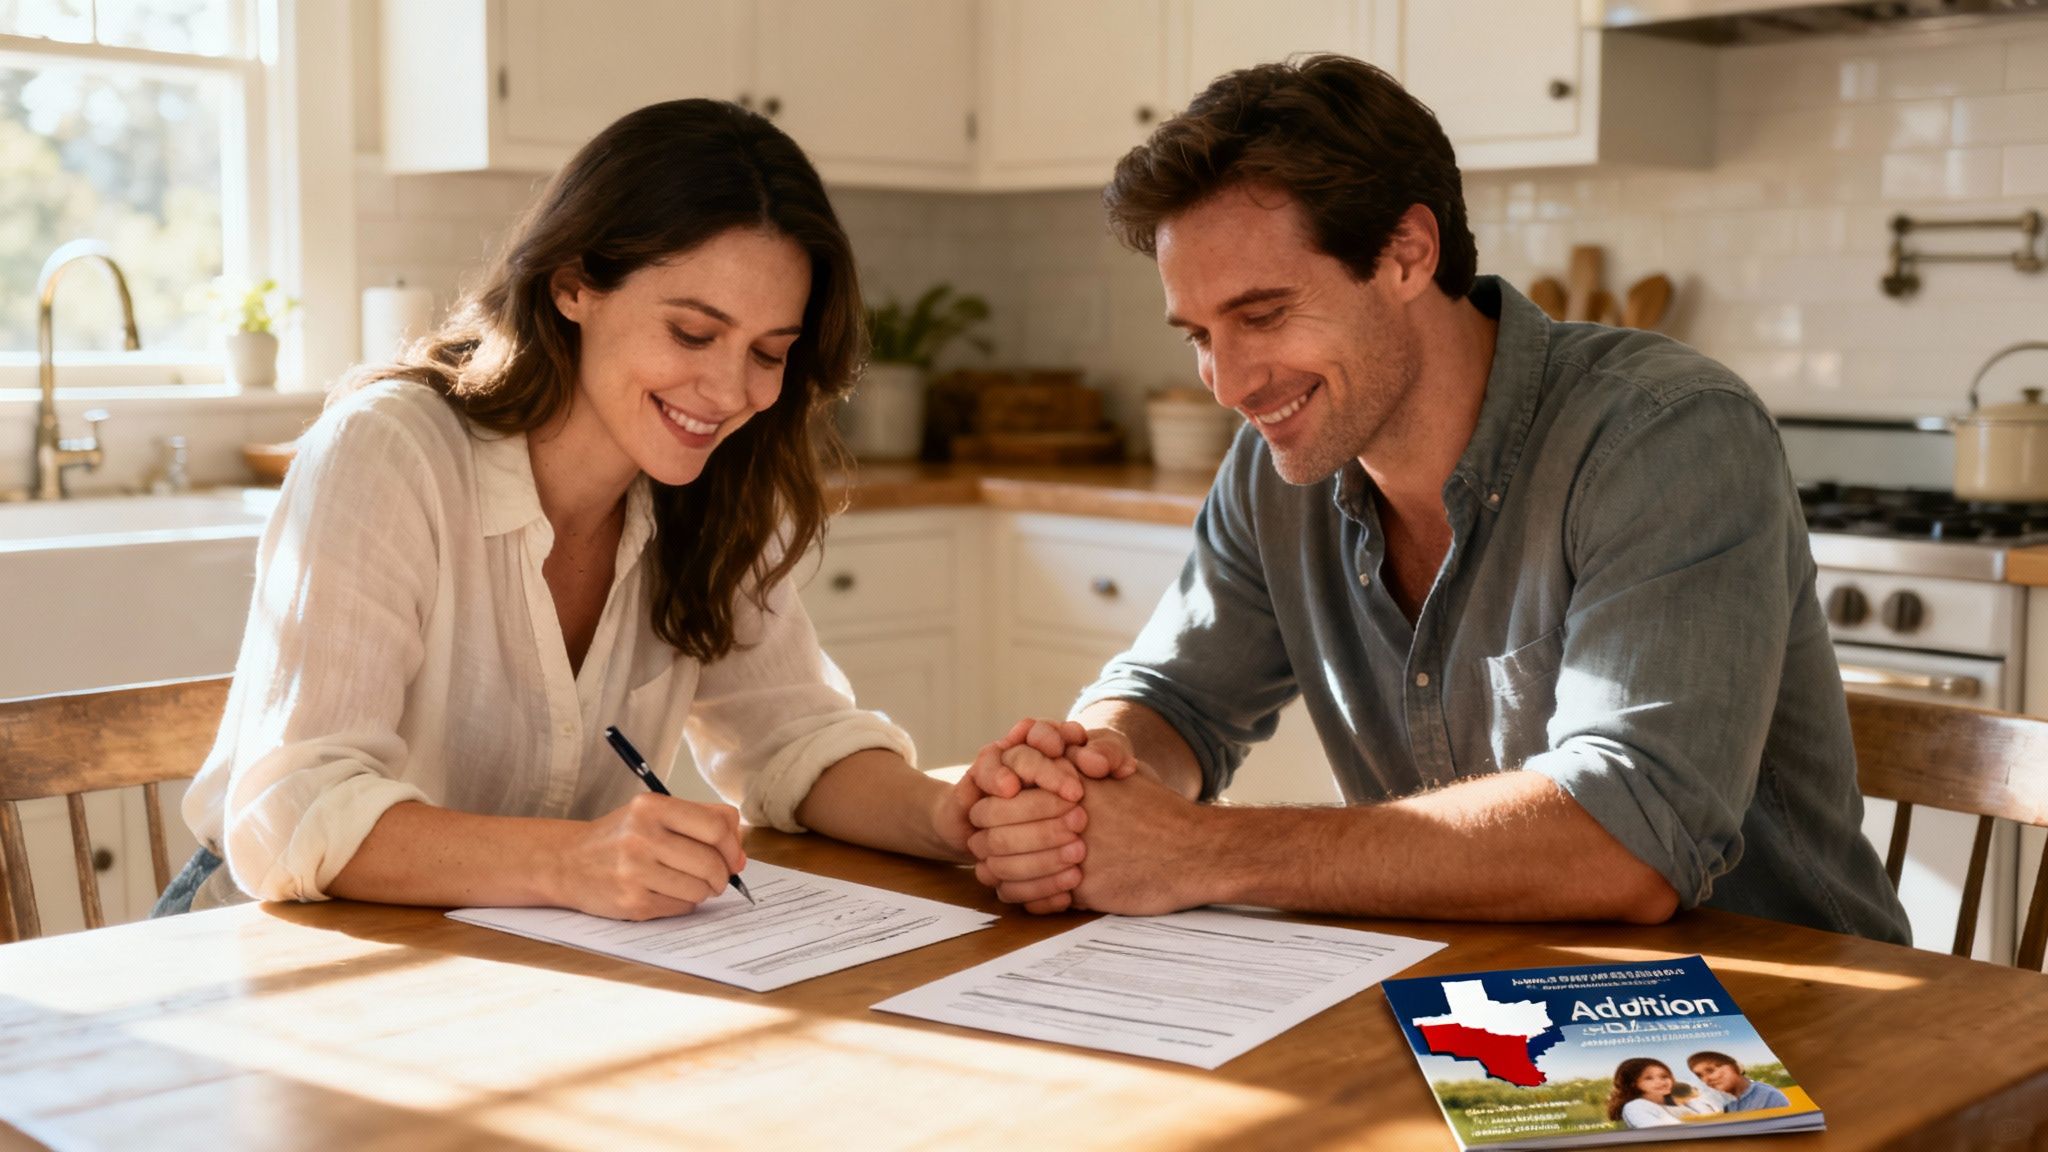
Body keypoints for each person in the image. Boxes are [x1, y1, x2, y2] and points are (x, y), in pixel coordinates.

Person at [952, 54, 1910, 943]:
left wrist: (1197, 852)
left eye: (1262, 313)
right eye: (1197, 333)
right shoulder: (1279, 462)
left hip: (1794, 1016)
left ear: (1408, 251)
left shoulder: (1665, 433)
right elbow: (1175, 697)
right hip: (1481, 994)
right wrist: (1086, 779)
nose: (1229, 381)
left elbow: (1631, 838)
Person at [158, 99, 991, 920]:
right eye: (694, 335)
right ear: (573, 286)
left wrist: (955, 819)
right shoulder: (390, 450)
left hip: (511, 957)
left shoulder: (716, 485)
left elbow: (794, 736)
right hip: (273, 951)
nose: (733, 392)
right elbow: (290, 814)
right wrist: (572, 861)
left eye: (770, 353)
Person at [1689, 1052, 1792, 1112]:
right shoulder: (1727, 1103)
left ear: (1735, 1066)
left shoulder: (1769, 1096)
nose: (1706, 1079)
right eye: (1700, 1076)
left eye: (1711, 1070)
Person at [1608, 1059, 1693, 1129]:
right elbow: (1658, 1134)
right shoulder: (1636, 1106)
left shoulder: (1674, 1106)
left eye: (1664, 1076)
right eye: (1649, 1078)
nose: (1660, 1082)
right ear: (1633, 1084)